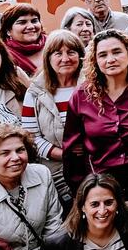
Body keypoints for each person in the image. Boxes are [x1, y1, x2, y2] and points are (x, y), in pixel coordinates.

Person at [64, 28, 128, 201]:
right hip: (100, 187)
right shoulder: (82, 96)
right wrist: (81, 190)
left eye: (117, 52)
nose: (110, 59)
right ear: (95, 60)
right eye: (102, 55)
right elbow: (72, 150)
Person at [21, 28, 84, 172]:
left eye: (71, 52)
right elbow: (30, 137)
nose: (65, 59)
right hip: (55, 170)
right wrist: (64, 155)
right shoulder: (35, 92)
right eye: (58, 53)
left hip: (94, 163)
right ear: (48, 58)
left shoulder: (93, 87)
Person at [0, 2, 45, 77]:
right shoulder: (1, 54)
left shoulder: (54, 45)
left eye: (34, 21)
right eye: (22, 22)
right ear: (8, 30)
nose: (31, 26)